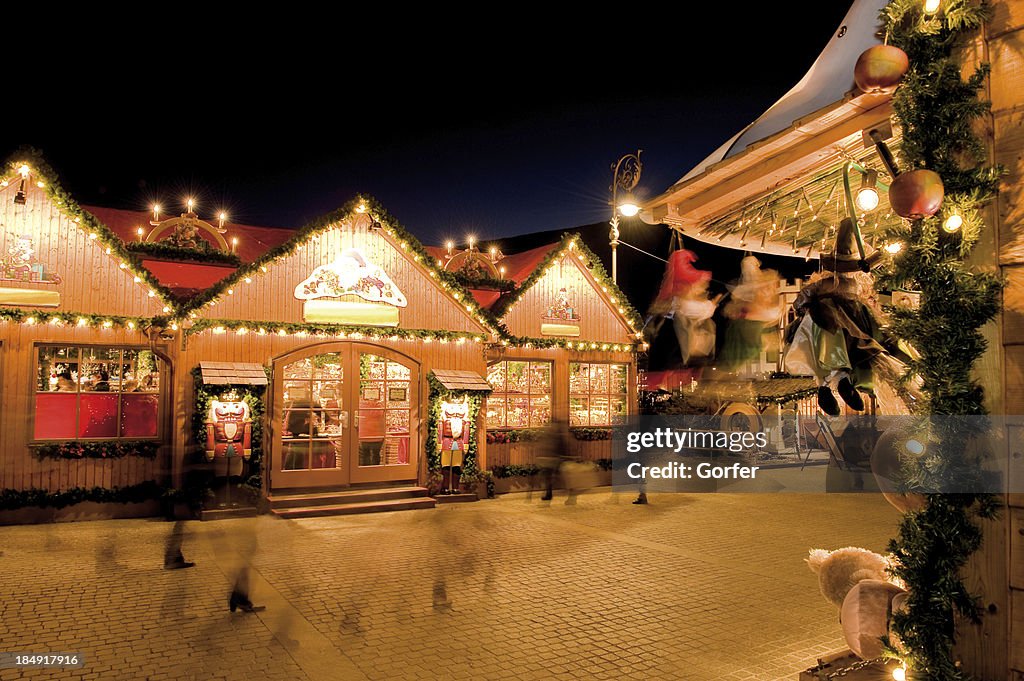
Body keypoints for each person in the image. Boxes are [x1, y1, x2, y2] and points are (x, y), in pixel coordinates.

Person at [536, 418, 569, 501]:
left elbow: (561, 446)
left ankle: (552, 492)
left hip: (553, 459)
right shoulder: (557, 434)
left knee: (551, 476)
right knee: (550, 476)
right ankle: (550, 493)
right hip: (552, 458)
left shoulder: (554, 435)